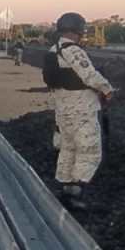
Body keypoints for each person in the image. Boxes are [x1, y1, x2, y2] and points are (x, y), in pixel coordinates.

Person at [42, 13, 114, 209]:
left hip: (63, 108)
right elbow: (89, 75)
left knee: (68, 148)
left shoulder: (53, 51)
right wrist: (107, 89)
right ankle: (75, 193)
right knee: (89, 149)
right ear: (77, 30)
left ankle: (65, 188)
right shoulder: (73, 50)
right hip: (81, 108)